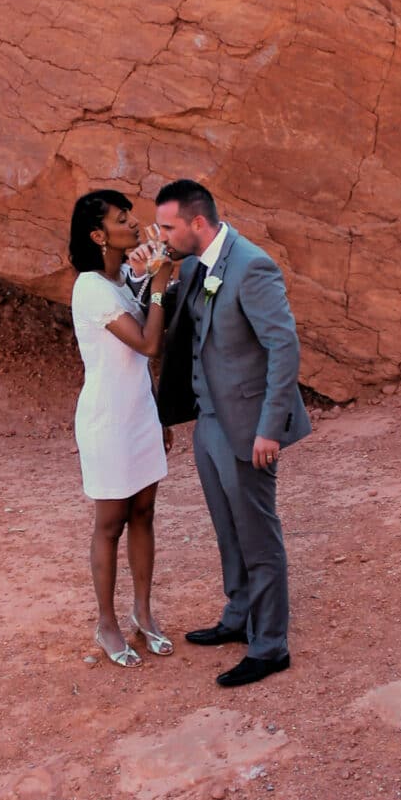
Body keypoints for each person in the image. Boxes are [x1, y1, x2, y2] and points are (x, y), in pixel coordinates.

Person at [153, 180, 309, 687]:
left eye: (168, 226)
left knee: (259, 537)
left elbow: (283, 349)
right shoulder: (195, 264)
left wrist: (270, 429)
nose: (162, 235)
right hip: (209, 421)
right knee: (227, 527)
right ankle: (239, 615)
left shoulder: (252, 266)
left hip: (247, 427)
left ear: (198, 223)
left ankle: (270, 647)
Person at [68, 188, 176, 668]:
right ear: (98, 235)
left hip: (137, 414)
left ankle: (143, 612)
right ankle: (106, 622)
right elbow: (149, 344)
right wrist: (159, 284)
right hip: (108, 420)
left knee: (145, 513)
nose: (132, 223)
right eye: (120, 218)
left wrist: (157, 414)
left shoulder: (118, 283)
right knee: (110, 523)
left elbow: (140, 364)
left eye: (130, 214)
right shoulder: (90, 287)